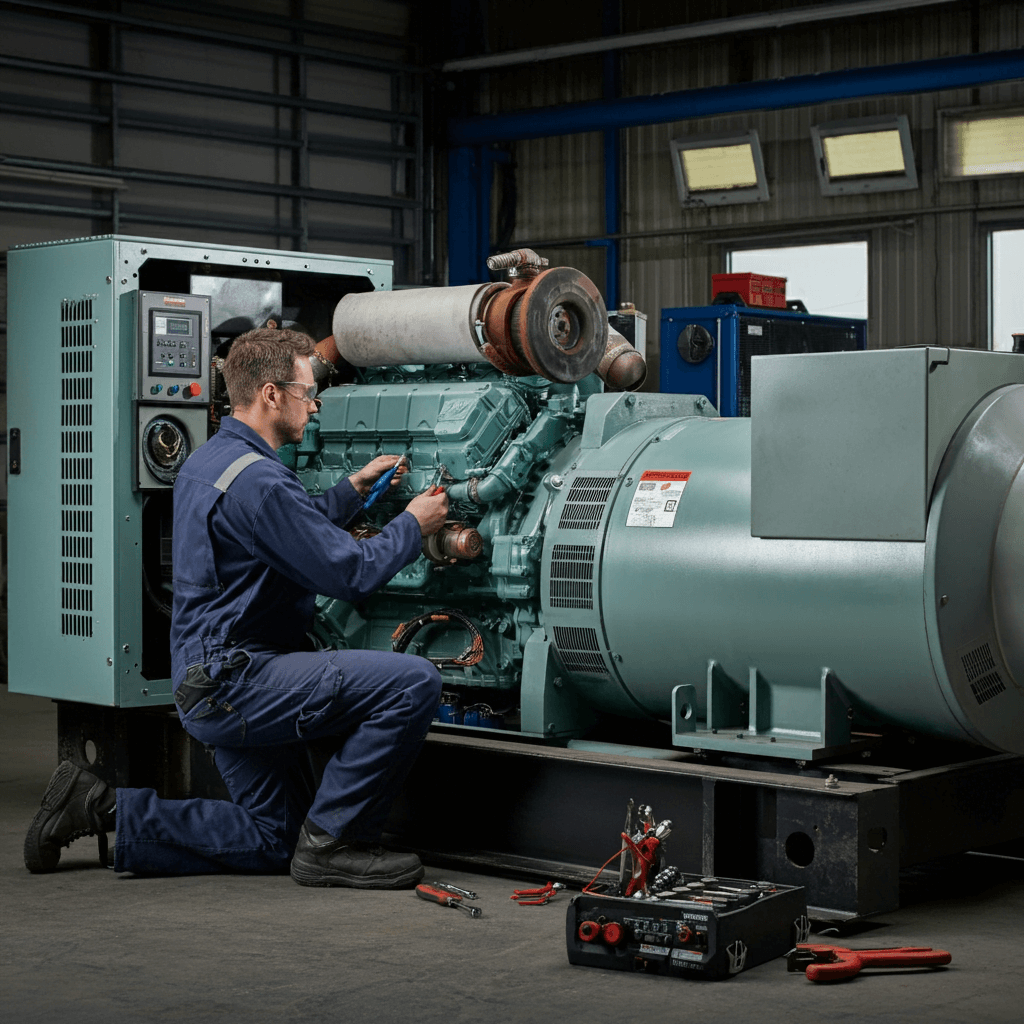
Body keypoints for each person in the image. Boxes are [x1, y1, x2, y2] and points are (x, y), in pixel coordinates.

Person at [25, 327, 450, 888]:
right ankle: (336, 844)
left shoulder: (214, 462)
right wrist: (411, 526)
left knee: (276, 837)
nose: (313, 404)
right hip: (239, 684)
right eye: (305, 392)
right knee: (411, 682)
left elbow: (283, 529)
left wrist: (350, 489)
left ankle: (100, 808)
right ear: (271, 394)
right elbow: (349, 573)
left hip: (206, 681)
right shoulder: (263, 482)